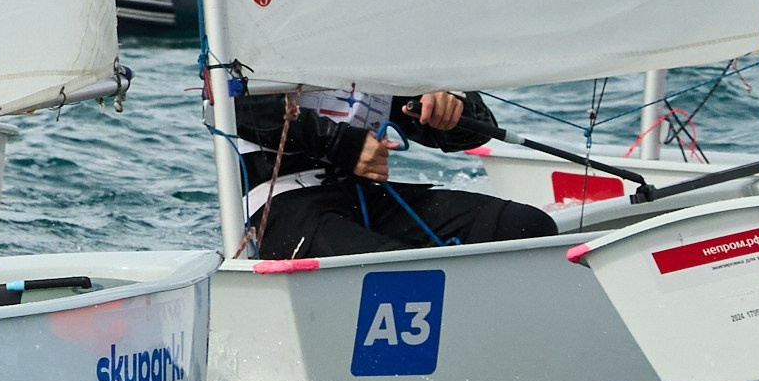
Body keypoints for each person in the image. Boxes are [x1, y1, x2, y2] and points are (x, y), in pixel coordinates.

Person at [232, 83, 554, 258]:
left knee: (527, 227)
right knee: (401, 271)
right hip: (282, 206)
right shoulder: (270, 18)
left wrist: (453, 101)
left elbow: (478, 130)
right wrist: (340, 143)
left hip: (366, 198)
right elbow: (233, 105)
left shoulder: (383, 38)